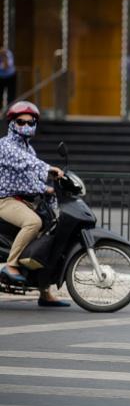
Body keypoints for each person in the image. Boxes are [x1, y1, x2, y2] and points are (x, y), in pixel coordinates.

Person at [0, 100, 68, 306]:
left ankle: (44, 292)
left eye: (31, 122)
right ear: (12, 123)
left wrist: (47, 188)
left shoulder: (29, 149)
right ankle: (10, 265)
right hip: (6, 200)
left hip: (26, 201)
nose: (27, 126)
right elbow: (24, 162)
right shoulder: (6, 145)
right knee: (33, 223)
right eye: (21, 121)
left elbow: (29, 178)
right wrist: (49, 169)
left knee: (47, 241)